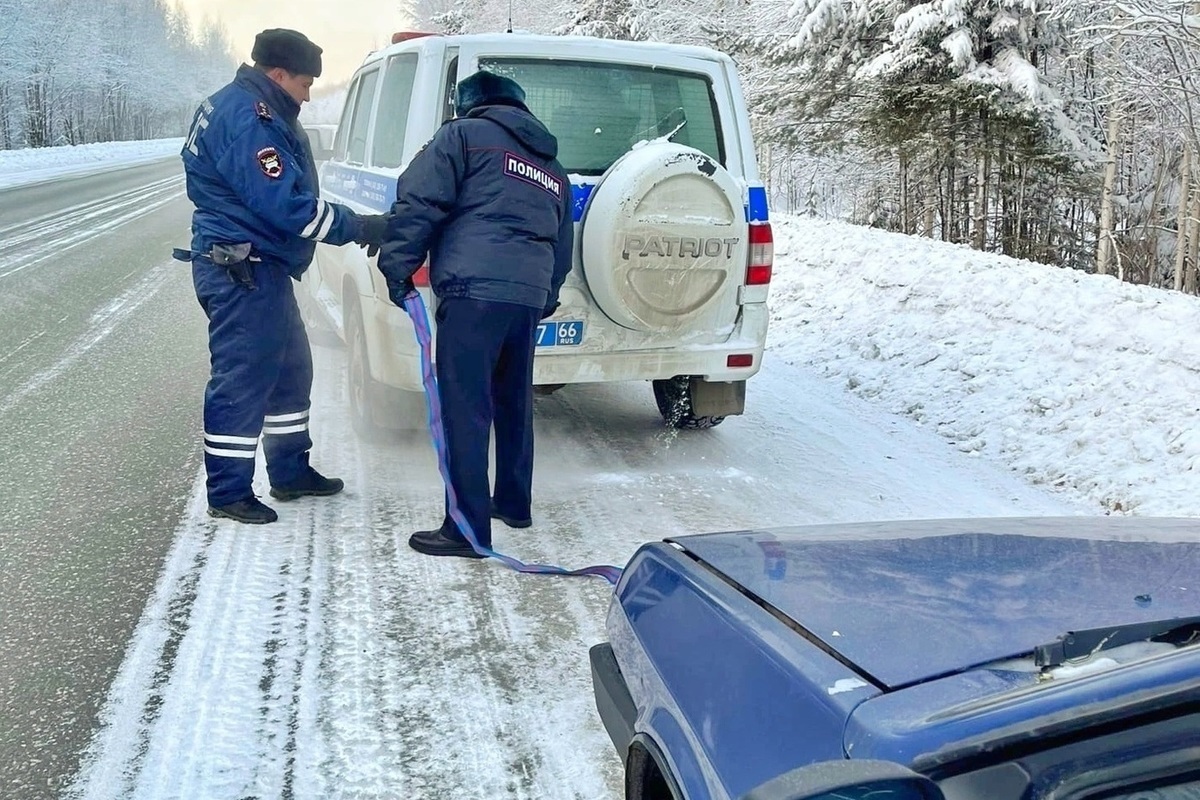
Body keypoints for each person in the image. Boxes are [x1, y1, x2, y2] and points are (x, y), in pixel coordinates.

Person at [179, 29, 389, 524]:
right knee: (243, 379)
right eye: (304, 83)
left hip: (260, 265)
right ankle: (228, 491)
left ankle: (290, 471)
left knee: (292, 370)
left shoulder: (244, 104)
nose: (308, 93)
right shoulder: (249, 120)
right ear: (278, 74)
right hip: (242, 269)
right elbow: (286, 207)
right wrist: (360, 226)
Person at [376, 70, 574, 558]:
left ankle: (466, 529)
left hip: (472, 290)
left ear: (470, 104)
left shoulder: (460, 136)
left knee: (466, 408)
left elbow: (420, 202)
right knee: (512, 400)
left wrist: (397, 266)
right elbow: (562, 241)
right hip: (525, 297)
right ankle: (512, 502)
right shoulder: (551, 166)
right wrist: (544, 293)